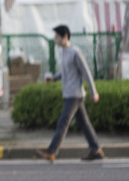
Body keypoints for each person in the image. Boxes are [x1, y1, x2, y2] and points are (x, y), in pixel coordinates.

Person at [35, 25, 105, 163]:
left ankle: (51, 151)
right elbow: (66, 71)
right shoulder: (63, 52)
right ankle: (96, 149)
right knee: (84, 123)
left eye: (57, 37)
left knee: (63, 122)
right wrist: (55, 78)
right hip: (68, 93)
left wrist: (93, 91)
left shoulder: (75, 52)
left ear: (65, 37)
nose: (55, 40)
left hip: (75, 94)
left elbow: (86, 72)